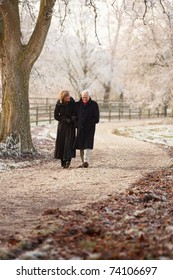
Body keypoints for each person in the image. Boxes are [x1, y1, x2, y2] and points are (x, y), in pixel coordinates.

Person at [75, 89, 99, 168]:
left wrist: (90, 123)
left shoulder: (94, 104)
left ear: (89, 96)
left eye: (86, 97)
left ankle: (86, 160)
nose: (84, 99)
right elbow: (74, 116)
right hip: (80, 128)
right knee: (81, 144)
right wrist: (77, 124)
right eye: (83, 97)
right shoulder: (77, 105)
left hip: (90, 128)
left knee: (88, 144)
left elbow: (96, 118)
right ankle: (83, 162)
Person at [54, 90, 76, 168]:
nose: (68, 97)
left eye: (68, 96)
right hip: (62, 126)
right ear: (63, 97)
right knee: (62, 143)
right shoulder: (59, 104)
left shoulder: (73, 103)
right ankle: (63, 161)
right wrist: (64, 119)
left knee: (69, 143)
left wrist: (72, 118)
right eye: (66, 97)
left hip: (70, 126)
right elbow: (56, 116)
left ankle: (68, 160)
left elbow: (75, 113)